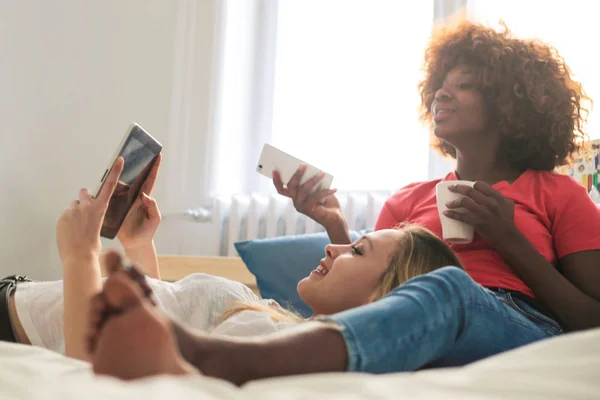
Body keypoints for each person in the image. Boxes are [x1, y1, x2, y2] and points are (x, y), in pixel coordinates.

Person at [78, 18, 600, 383]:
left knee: (448, 288)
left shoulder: (558, 194)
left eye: (463, 86)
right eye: (439, 85)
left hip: (517, 323)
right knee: (225, 291)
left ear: (512, 104)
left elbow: (592, 320)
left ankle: (221, 360)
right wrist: (334, 226)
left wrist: (511, 240)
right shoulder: (409, 199)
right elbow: (365, 283)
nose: (440, 94)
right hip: (408, 317)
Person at [1, 156, 463, 356]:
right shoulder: (278, 321)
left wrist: (80, 254)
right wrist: (138, 246)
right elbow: (156, 324)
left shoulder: (271, 343)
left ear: (384, 298)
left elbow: (98, 374)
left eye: (357, 249)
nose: (333, 244)